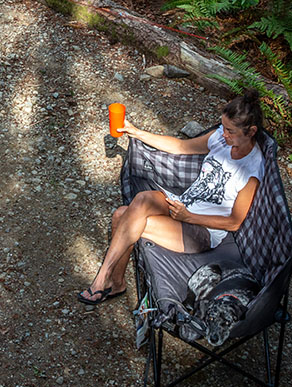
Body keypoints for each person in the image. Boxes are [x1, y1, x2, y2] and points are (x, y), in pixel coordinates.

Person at [78, 90, 266, 305]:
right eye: (223, 127)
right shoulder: (220, 141)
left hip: (202, 231)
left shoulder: (252, 169)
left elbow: (234, 223)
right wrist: (135, 132)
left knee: (122, 216)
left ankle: (103, 280)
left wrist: (189, 217)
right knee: (141, 199)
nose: (224, 134)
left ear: (251, 131)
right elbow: (180, 146)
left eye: (230, 131)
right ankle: (114, 281)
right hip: (182, 205)